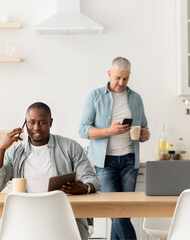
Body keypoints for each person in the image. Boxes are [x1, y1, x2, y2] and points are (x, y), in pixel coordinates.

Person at [0, 102, 101, 240]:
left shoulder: (70, 147)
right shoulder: (15, 153)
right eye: (31, 122)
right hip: (27, 218)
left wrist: (85, 188)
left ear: (50, 122)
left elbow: (91, 178)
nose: (36, 128)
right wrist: (1, 149)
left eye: (42, 122)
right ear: (25, 124)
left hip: (67, 216)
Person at [78, 57, 149, 240]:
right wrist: (109, 131)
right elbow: (83, 130)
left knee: (124, 212)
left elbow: (145, 128)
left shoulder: (136, 98)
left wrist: (144, 135)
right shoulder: (95, 96)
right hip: (105, 162)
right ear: (109, 74)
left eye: (125, 79)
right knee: (116, 211)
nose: (121, 83)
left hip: (129, 160)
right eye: (117, 78)